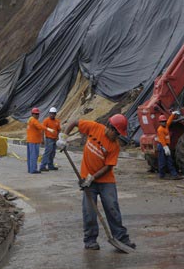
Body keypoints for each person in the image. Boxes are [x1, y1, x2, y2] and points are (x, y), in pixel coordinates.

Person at [57, 114, 136, 251]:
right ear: (110, 128)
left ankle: (121, 238)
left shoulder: (114, 146)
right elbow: (74, 122)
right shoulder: (94, 128)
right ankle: (90, 240)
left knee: (112, 208)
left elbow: (108, 166)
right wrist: (64, 137)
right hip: (87, 181)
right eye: (116, 133)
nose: (116, 136)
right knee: (89, 211)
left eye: (118, 134)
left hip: (105, 181)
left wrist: (92, 178)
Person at [155, 112, 181, 179]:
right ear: (160, 122)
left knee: (169, 161)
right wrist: (165, 148)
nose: (164, 122)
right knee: (162, 161)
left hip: (166, 145)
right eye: (162, 121)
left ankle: (174, 174)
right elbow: (162, 139)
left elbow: (169, 121)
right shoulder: (160, 130)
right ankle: (162, 175)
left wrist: (172, 114)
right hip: (162, 146)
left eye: (164, 121)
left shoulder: (166, 126)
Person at [39, 107, 61, 172]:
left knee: (53, 153)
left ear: (55, 114)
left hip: (54, 139)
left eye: (53, 114)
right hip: (49, 139)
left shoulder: (57, 121)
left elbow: (58, 130)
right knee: (47, 152)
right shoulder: (46, 121)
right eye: (51, 113)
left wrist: (58, 137)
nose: (52, 115)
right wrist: (42, 139)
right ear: (49, 113)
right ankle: (42, 166)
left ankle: (50, 165)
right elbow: (42, 130)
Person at [26, 107, 46, 174]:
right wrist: (48, 129)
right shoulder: (34, 120)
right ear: (32, 114)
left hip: (30, 140)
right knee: (34, 156)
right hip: (34, 141)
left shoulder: (30, 120)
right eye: (36, 114)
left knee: (30, 156)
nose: (37, 115)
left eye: (38, 114)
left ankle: (30, 169)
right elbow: (40, 127)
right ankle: (33, 169)